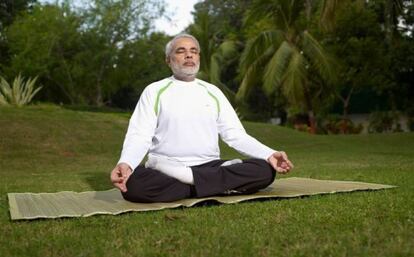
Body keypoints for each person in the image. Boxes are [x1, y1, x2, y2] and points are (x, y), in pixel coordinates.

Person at [110, 34, 293, 203]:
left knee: (264, 170)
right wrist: (126, 163)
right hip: (165, 167)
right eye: (181, 51)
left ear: (198, 57)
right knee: (134, 185)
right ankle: (216, 186)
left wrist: (269, 154)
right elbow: (140, 135)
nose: (189, 55)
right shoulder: (154, 91)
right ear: (168, 60)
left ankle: (190, 181)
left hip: (209, 166)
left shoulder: (212, 92)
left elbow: (235, 135)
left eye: (194, 51)